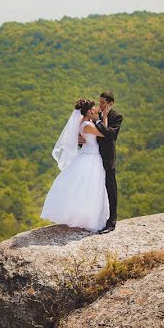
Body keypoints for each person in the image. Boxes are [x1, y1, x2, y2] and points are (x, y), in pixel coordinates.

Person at [40, 98, 110, 232]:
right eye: (94, 108)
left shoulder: (83, 122)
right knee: (91, 187)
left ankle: (87, 216)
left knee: (86, 187)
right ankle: (91, 220)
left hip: (87, 154)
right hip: (91, 157)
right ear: (89, 111)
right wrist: (104, 117)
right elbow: (105, 133)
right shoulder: (88, 125)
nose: (96, 109)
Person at [94, 91, 122, 234]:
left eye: (103, 103)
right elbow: (90, 135)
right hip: (92, 157)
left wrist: (101, 119)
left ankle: (111, 222)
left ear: (110, 104)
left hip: (107, 157)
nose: (100, 105)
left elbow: (110, 135)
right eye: (99, 102)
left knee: (110, 188)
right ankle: (95, 219)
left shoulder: (116, 117)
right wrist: (81, 142)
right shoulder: (95, 115)